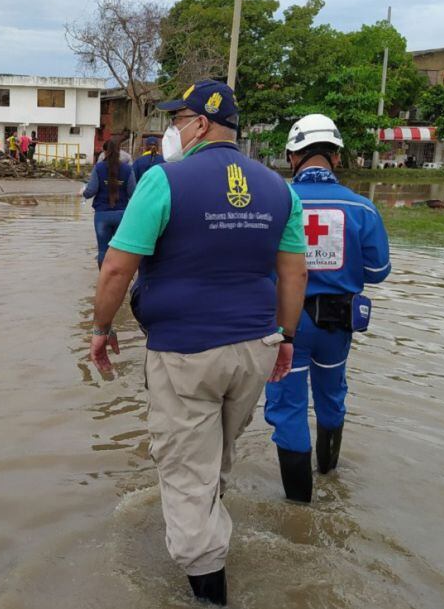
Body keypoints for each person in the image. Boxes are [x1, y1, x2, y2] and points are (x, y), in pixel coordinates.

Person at [87, 79, 308, 605]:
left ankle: (210, 591)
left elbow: (118, 266)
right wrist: (287, 338)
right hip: (255, 348)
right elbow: (294, 274)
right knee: (217, 455)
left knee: (185, 472)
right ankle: (209, 527)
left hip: (186, 354)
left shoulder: (165, 181)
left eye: (179, 119)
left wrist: (100, 329)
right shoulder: (281, 189)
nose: (174, 129)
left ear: (201, 123)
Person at [263, 114, 391, 503]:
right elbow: (378, 271)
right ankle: (329, 473)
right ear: (336, 157)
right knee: (332, 395)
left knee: (288, 405)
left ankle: (299, 509)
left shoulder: (276, 201)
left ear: (292, 155)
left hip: (286, 323)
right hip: (338, 324)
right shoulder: (363, 209)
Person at [81, 139, 136, 268]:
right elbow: (134, 193)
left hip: (102, 216)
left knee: (102, 250)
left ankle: (103, 281)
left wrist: (83, 192)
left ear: (104, 152)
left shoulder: (98, 168)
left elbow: (91, 191)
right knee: (121, 250)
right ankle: (121, 279)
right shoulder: (128, 169)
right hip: (122, 215)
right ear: (119, 152)